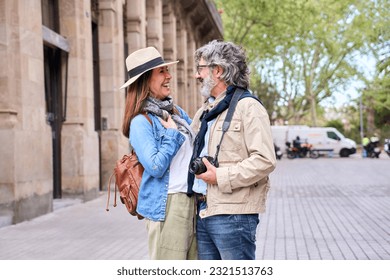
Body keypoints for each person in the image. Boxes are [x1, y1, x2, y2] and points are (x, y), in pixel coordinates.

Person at [188, 40, 276, 260]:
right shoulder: (206, 111)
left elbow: (265, 160)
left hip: (234, 215)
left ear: (217, 71)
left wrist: (220, 176)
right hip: (204, 210)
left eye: (200, 69)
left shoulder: (249, 107)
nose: (196, 75)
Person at [120, 47, 197, 260]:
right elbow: (155, 166)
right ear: (146, 80)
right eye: (161, 71)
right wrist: (171, 136)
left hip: (191, 201)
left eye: (167, 70)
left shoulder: (177, 113)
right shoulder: (140, 122)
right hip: (168, 206)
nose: (169, 76)